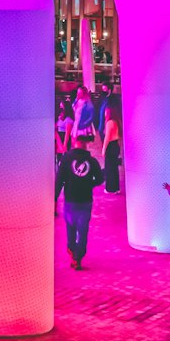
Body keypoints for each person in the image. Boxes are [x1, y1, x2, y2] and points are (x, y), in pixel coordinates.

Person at [55, 135, 104, 269]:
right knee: (83, 231)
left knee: (71, 228)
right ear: (86, 144)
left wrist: (54, 197)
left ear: (74, 142)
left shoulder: (66, 159)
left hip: (70, 200)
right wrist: (89, 183)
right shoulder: (91, 161)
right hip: (85, 201)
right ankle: (78, 257)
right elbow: (100, 179)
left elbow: (60, 180)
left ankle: (72, 250)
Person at [101, 101, 122, 194]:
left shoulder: (109, 123)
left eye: (106, 112)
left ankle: (110, 188)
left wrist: (103, 149)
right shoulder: (117, 122)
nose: (105, 113)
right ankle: (116, 188)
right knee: (114, 168)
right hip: (115, 145)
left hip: (110, 146)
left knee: (109, 168)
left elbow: (107, 137)